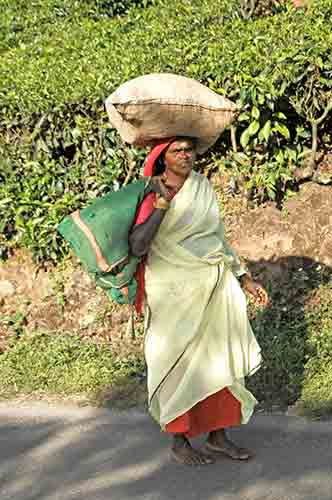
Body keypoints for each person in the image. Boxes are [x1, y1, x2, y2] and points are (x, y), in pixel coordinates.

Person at [129, 137, 269, 466]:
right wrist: (161, 205)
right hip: (171, 290)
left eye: (190, 149)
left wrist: (244, 276)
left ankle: (218, 438)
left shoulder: (202, 187)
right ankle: (180, 441)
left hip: (212, 283)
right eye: (178, 150)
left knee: (220, 359)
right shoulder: (149, 191)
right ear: (162, 156)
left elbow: (216, 237)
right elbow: (137, 246)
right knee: (176, 362)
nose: (186, 155)